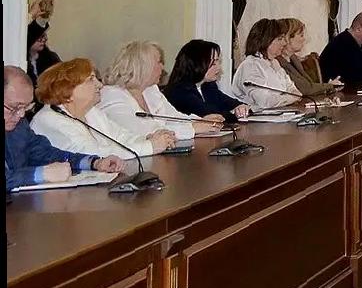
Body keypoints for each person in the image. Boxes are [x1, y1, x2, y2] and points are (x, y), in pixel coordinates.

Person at [6, 65, 125, 191]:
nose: (21, 114)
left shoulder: (19, 126)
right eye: (14, 107)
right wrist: (42, 174)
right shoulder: (46, 118)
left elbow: (46, 154)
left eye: (25, 108)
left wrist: (94, 163)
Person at [31, 59, 177, 157]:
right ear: (67, 90)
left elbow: (120, 136)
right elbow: (93, 153)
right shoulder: (49, 120)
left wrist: (147, 138)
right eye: (91, 80)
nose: (100, 85)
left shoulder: (91, 112)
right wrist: (150, 146)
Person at [99, 40, 213, 141]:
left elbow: (174, 117)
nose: (162, 67)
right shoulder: (111, 96)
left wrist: (202, 121)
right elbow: (143, 131)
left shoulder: (151, 90)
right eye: (159, 62)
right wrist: (192, 129)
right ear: (143, 66)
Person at [162, 41, 251, 122]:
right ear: (197, 64)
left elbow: (230, 103)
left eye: (218, 62)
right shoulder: (180, 91)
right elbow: (213, 116)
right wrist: (234, 113)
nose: (219, 68)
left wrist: (241, 107)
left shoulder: (208, 86)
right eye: (213, 63)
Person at [232, 18, 301, 109]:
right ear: (266, 41)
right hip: (255, 117)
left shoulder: (275, 63)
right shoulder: (251, 65)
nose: (284, 43)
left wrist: (290, 97)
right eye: (280, 39)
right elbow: (265, 102)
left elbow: (294, 90)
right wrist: (291, 98)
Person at [279, 18, 342, 99]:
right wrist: (330, 86)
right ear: (288, 38)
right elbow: (305, 89)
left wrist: (331, 86)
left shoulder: (293, 58)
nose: (304, 39)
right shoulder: (279, 62)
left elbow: (309, 85)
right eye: (301, 35)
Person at [25, 12, 60, 87]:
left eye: (45, 35)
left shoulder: (51, 58)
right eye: (40, 36)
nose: (44, 39)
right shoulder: (20, 60)